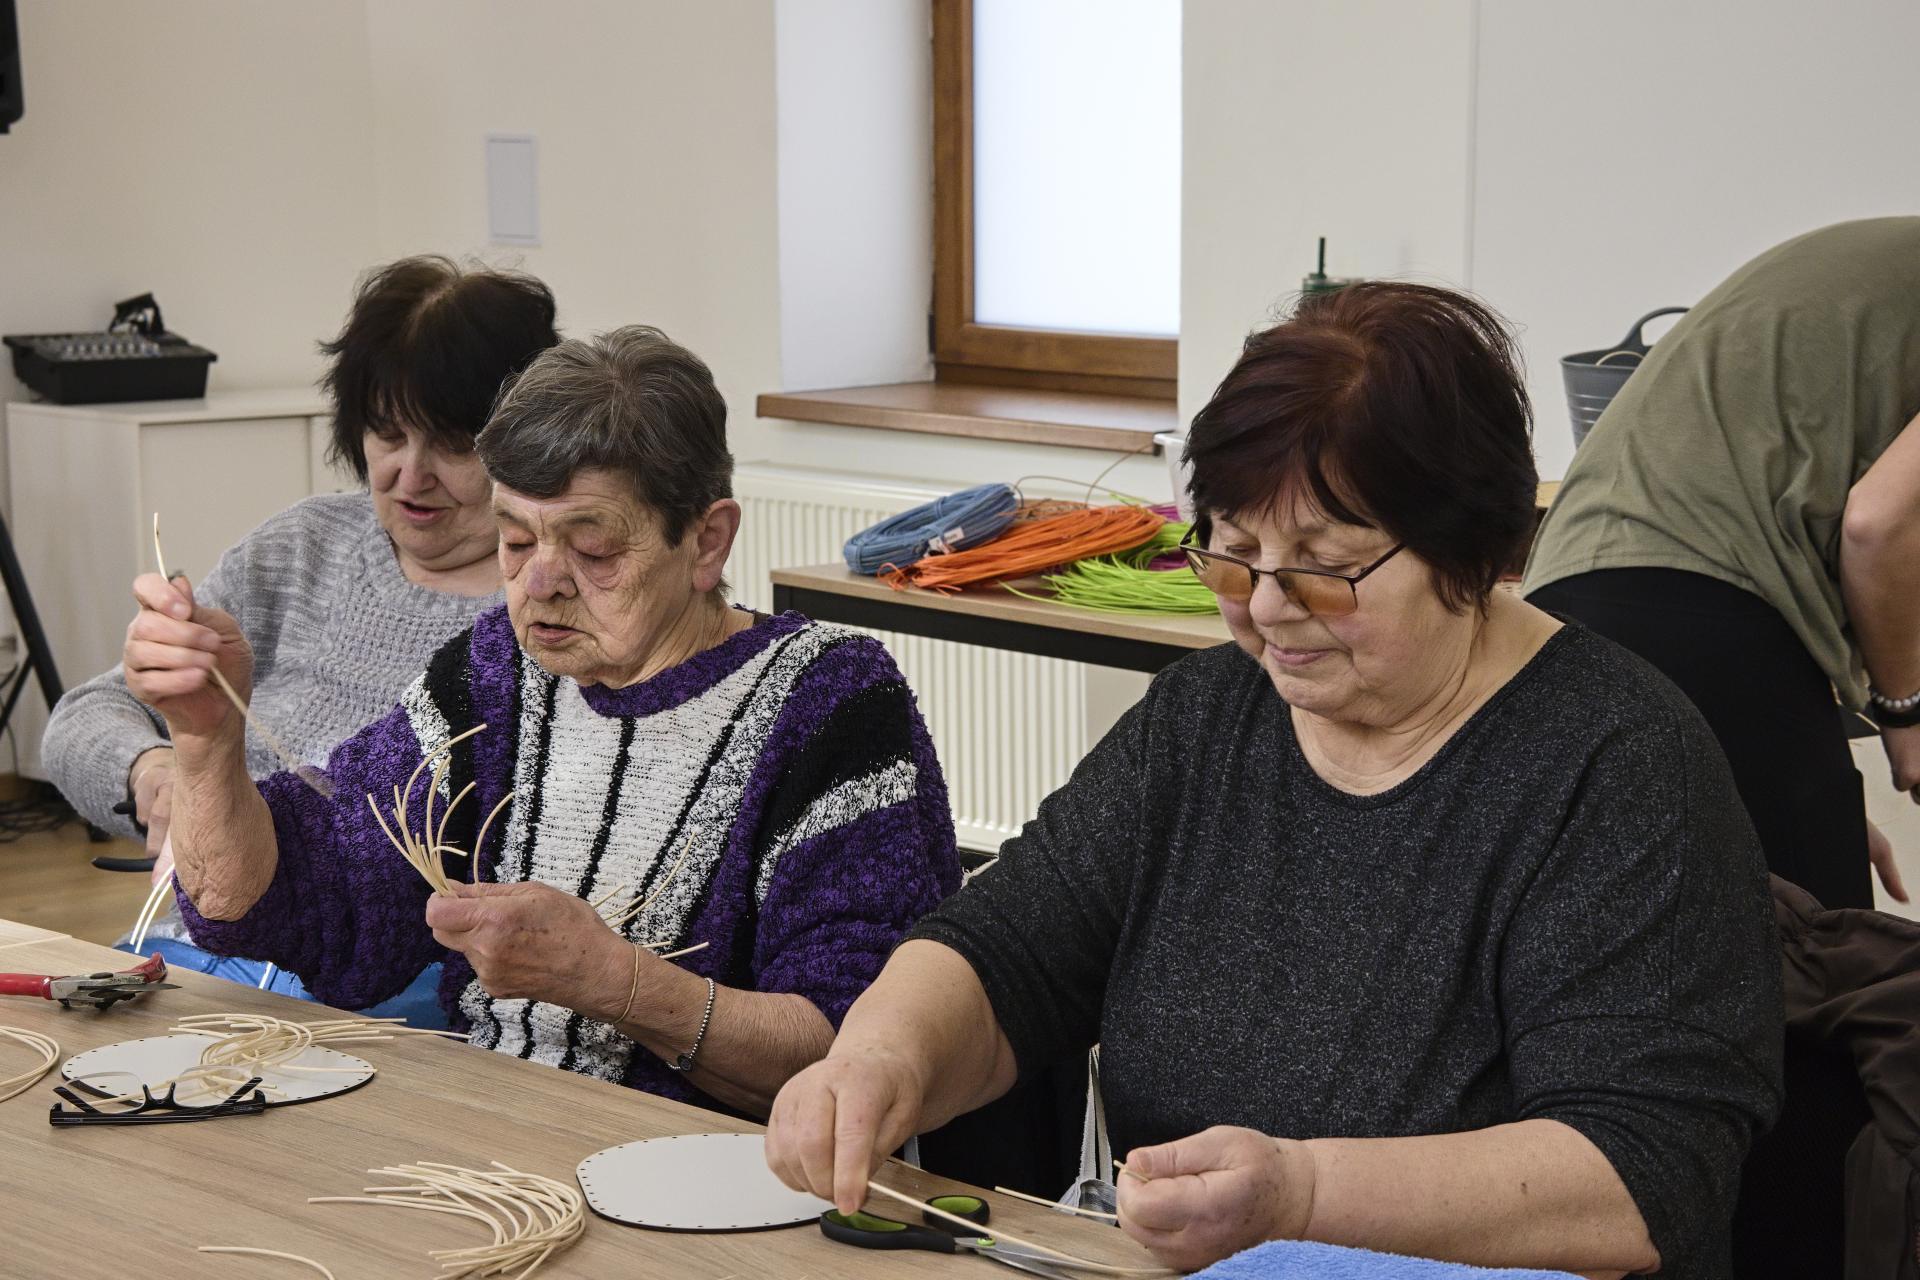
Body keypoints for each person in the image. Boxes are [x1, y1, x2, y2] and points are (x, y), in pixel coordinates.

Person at [764, 283, 1782, 1277]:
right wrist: (880, 1059)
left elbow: (1642, 1175)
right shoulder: (1206, 719)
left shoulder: (1618, 762)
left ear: (1475, 556)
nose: (1265, 608)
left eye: (1322, 568)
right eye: (1234, 553)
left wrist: (1302, 1194)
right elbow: (1008, 951)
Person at [125, 326, 960, 1112]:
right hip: (503, 1133)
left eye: (593, 549)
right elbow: (284, 903)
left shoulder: (830, 705)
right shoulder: (498, 672)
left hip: (719, 1170)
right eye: (517, 541)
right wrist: (206, 743)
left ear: (707, 542)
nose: (540, 583)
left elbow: (854, 1055)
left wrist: (619, 983)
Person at [43, 256, 558, 1008]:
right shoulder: (306, 548)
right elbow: (85, 716)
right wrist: (160, 776)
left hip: (393, 986)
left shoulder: (548, 608)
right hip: (193, 948)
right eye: (386, 433)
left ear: (525, 443)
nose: (409, 475)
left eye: (452, 444)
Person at [1526, 217, 1920, 913]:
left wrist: (1796, 794)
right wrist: (1904, 712)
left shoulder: (1879, 266)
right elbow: (1881, 524)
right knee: (1823, 965)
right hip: (1700, 606)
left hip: (1568, 597)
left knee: (1672, 954)